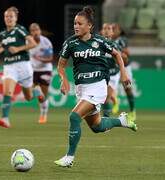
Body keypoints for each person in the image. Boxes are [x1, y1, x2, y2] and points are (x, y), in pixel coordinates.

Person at [54, 6, 137, 168]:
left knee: (74, 116)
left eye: (79, 23)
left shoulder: (100, 41)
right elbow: (61, 66)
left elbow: (117, 54)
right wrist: (63, 79)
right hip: (81, 89)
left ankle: (69, 157)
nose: (76, 26)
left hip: (98, 87)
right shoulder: (70, 43)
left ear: (89, 26)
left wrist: (124, 73)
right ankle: (122, 121)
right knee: (97, 126)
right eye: (75, 23)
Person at [0, 6, 44, 128]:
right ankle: (5, 119)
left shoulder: (20, 30)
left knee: (28, 97)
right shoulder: (2, 34)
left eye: (11, 16)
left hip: (23, 65)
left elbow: (33, 43)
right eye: (6, 16)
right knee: (7, 91)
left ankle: (36, 90)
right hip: (9, 66)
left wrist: (18, 49)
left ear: (16, 18)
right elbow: (3, 44)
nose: (8, 18)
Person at [29, 23, 54, 124]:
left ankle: (43, 114)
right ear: (30, 32)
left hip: (45, 69)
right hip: (32, 70)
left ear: (40, 31)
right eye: (33, 31)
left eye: (37, 30)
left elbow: (50, 58)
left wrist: (41, 59)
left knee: (43, 96)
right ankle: (37, 91)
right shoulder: (28, 41)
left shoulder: (45, 42)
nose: (35, 32)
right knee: (30, 92)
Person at [112, 23, 136, 120]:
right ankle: (115, 102)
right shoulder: (108, 40)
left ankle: (132, 111)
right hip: (113, 66)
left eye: (115, 28)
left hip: (125, 67)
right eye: (112, 28)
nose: (113, 30)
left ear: (120, 31)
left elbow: (127, 53)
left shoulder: (122, 40)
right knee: (109, 87)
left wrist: (122, 54)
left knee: (127, 88)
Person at [101, 23, 121, 117]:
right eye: (104, 28)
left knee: (105, 98)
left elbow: (121, 58)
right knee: (100, 98)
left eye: (109, 29)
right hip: (101, 75)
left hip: (113, 75)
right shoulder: (97, 44)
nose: (106, 30)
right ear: (101, 31)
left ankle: (106, 120)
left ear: (112, 33)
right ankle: (115, 100)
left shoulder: (115, 45)